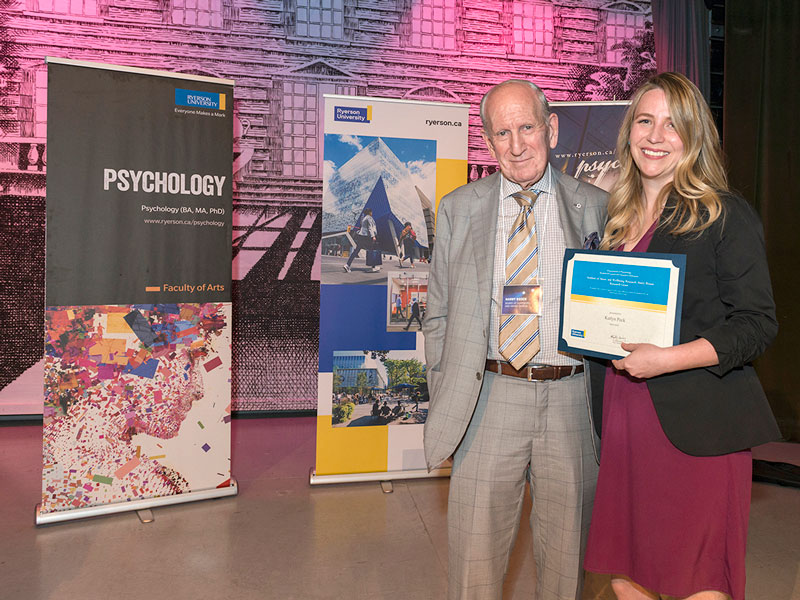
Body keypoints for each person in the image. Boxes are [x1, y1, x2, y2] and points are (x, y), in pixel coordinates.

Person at [582, 72, 780, 600]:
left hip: (698, 431)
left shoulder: (722, 214)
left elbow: (757, 324)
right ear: (628, 133)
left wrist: (665, 360)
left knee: (698, 581)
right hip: (625, 419)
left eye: (673, 125)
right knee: (627, 576)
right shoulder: (615, 221)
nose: (655, 135)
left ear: (694, 138)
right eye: (645, 121)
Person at [422, 79, 608, 600]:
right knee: (474, 570)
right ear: (487, 140)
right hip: (489, 402)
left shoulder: (596, 205)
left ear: (550, 129)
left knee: (567, 570)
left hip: (571, 403)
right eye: (502, 132)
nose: (517, 144)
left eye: (527, 127)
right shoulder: (459, 208)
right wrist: (450, 389)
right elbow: (436, 315)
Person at [343, 207, 378, 273]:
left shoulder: (364, 218)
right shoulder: (369, 218)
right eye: (371, 212)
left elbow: (362, 227)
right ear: (370, 212)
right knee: (372, 250)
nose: (372, 213)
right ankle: (373, 267)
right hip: (366, 237)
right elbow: (370, 227)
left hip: (361, 236)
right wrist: (373, 236)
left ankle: (347, 265)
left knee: (356, 251)